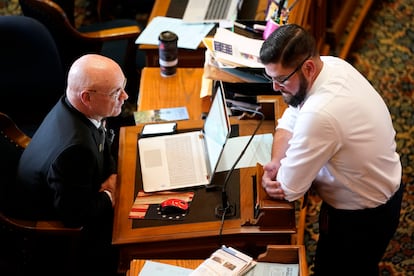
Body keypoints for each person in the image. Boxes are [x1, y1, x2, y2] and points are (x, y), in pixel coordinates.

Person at [259, 24, 403, 276]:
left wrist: (272, 176)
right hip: (379, 193)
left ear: (308, 68)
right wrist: (276, 160)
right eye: (269, 78)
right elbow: (290, 119)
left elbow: (289, 188)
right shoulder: (329, 65)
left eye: (281, 80)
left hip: (362, 219)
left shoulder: (320, 113)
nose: (274, 88)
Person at [15, 54, 129, 275]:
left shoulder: (74, 106)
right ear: (86, 97)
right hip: (60, 235)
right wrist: (110, 193)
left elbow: (102, 139)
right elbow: (74, 215)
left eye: (123, 87)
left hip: (77, 182)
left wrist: (111, 174)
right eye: (116, 92)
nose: (125, 96)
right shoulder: (75, 151)